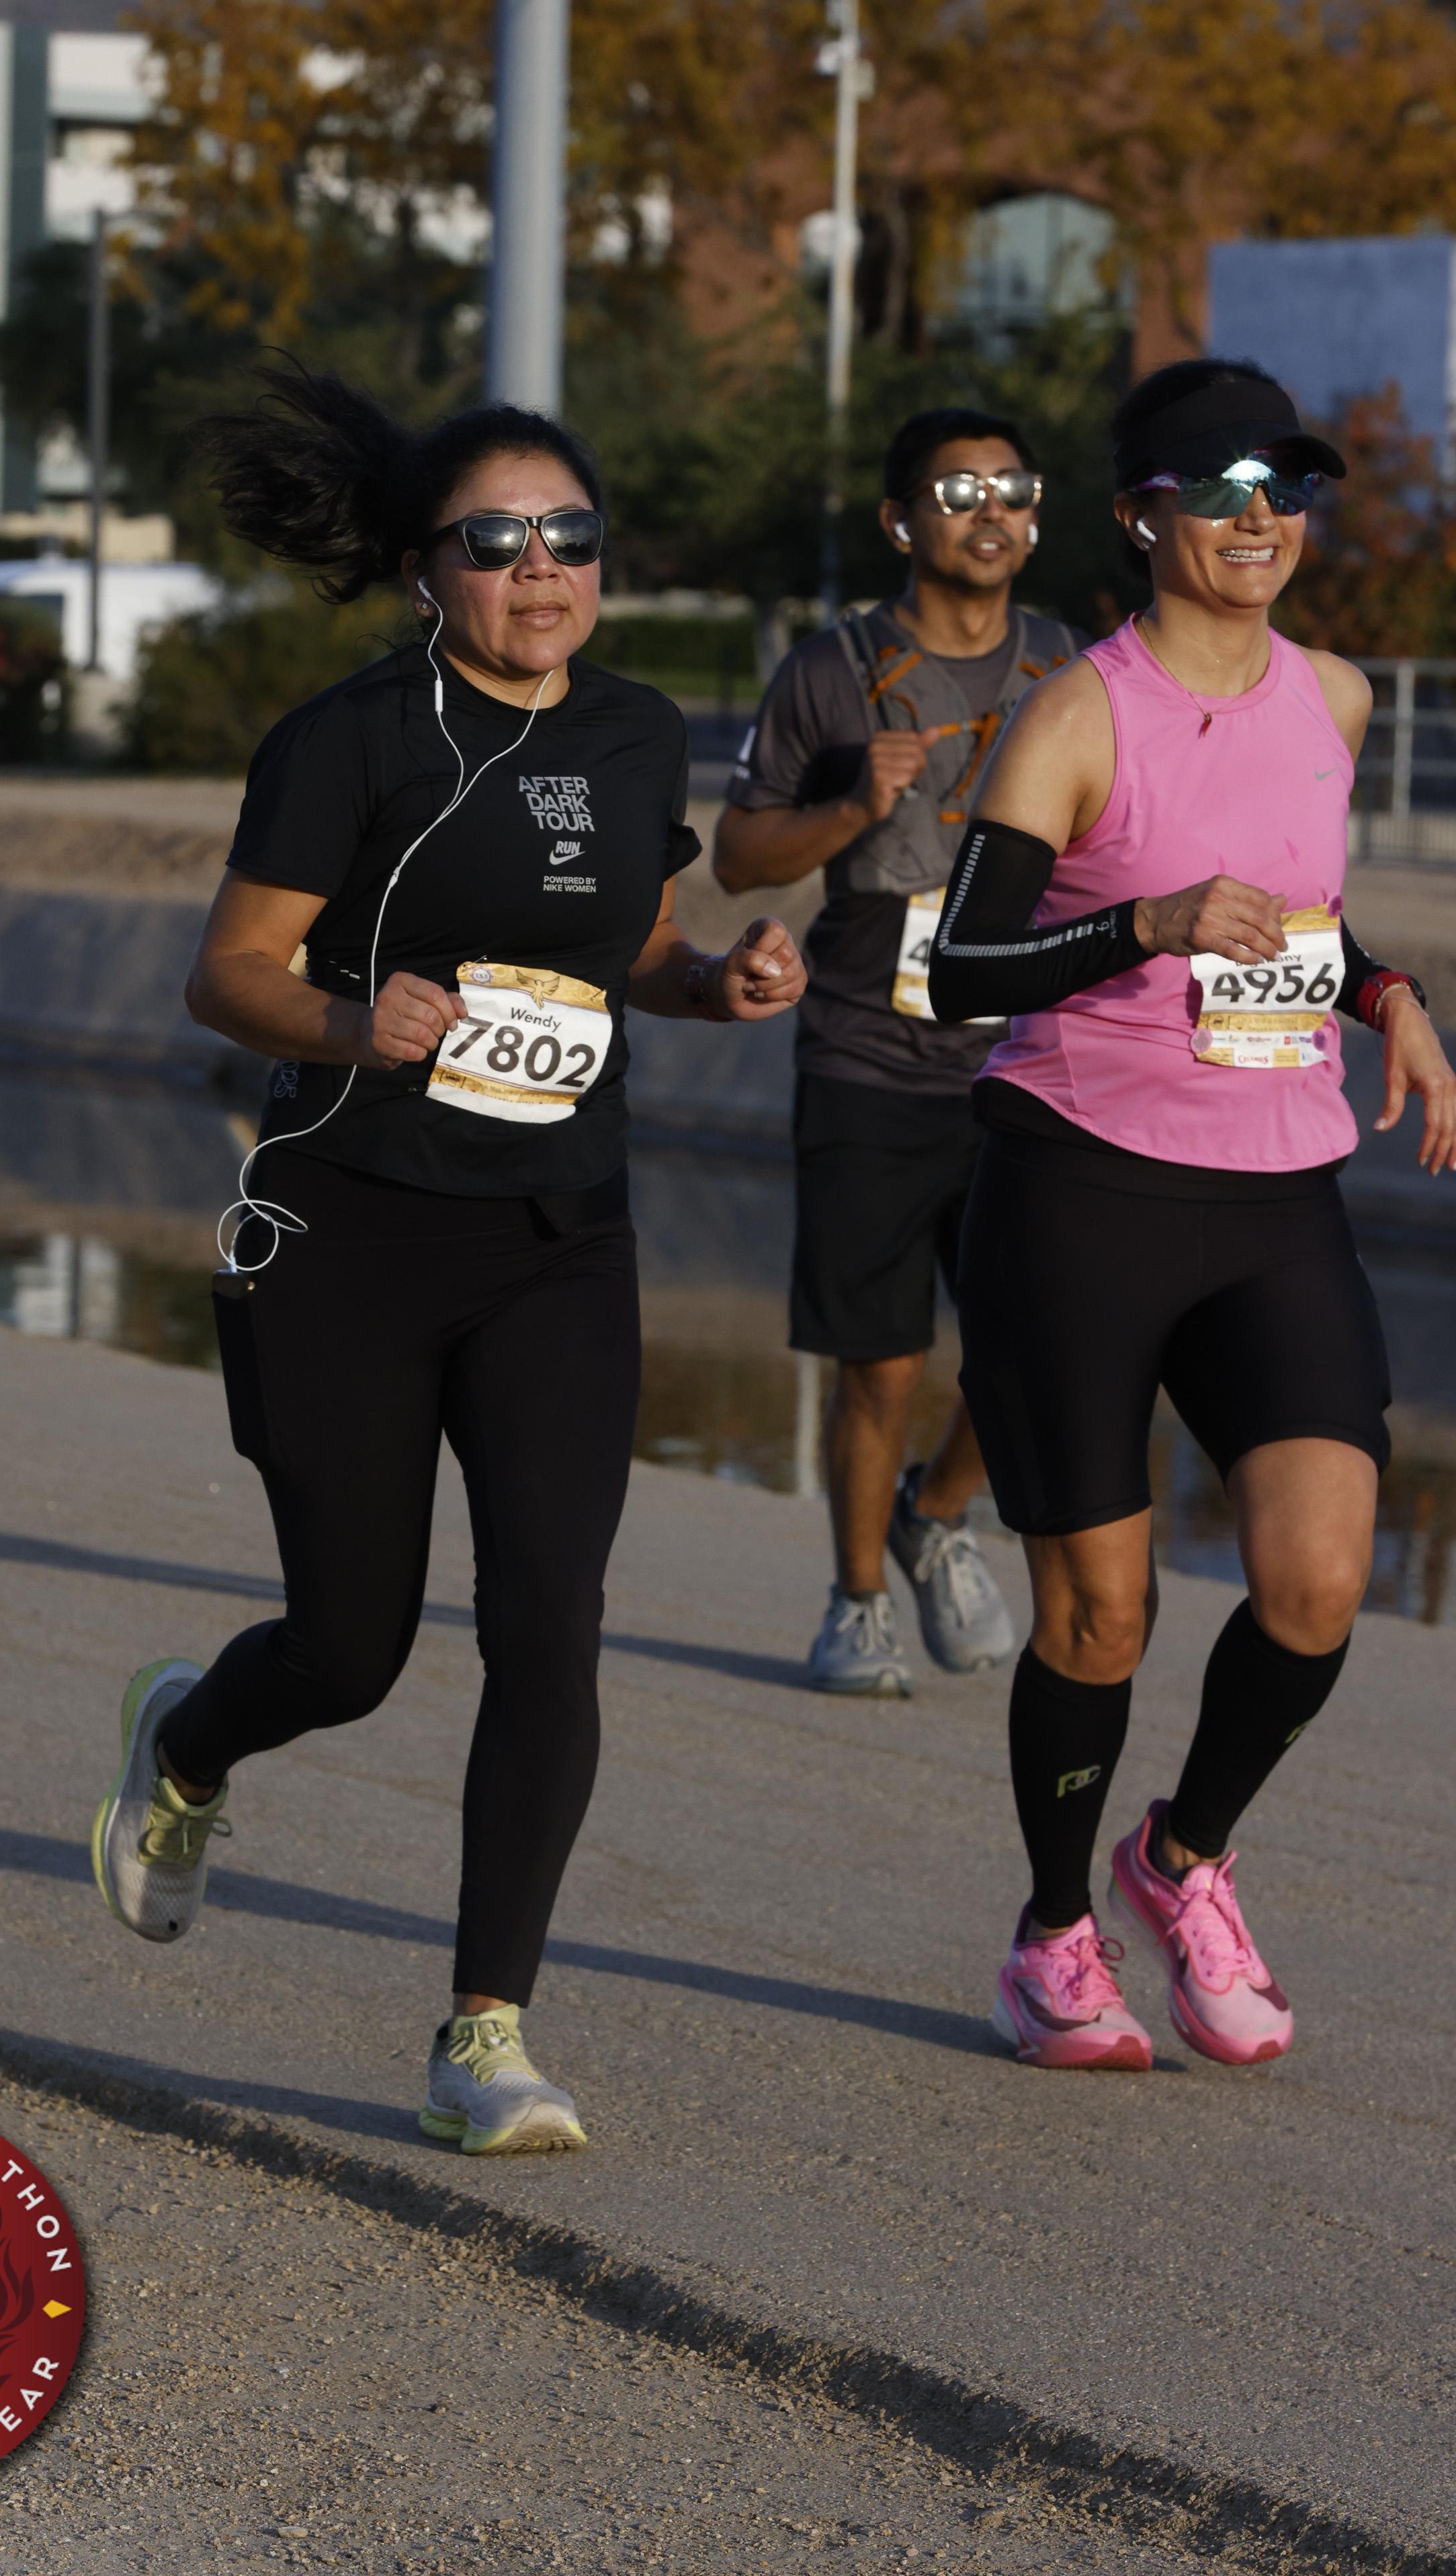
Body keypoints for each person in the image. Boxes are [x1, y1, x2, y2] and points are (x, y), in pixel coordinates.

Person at [91, 359, 805, 2151]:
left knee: (551, 1624)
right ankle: (191, 1745)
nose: (539, 567)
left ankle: (486, 2032)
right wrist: (353, 1020)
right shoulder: (348, 739)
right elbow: (226, 974)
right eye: (496, 542)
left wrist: (716, 982)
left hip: (560, 1239)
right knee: (352, 1649)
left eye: (570, 534)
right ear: (426, 569)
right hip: (346, 1229)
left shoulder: (635, 731)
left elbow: (630, 942)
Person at [927, 355, 1456, 2070]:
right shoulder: (1078, 715)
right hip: (1079, 1187)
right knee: (1101, 1616)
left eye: (1283, 490)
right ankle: (1050, 1939)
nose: (1259, 519)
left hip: (1280, 1191)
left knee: (1317, 1579)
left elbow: (1297, 922)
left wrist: (1388, 993)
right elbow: (962, 968)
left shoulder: (1337, 699)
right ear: (1140, 519)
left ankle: (1182, 1859)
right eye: (1220, 491)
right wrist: (1140, 926)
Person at [714, 408, 1079, 1697]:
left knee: (1051, 1340)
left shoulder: (1073, 668)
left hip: (1029, 1061)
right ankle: (858, 1599)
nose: (991, 513)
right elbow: (737, 858)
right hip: (867, 1057)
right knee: (882, 1363)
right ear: (899, 520)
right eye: (959, 491)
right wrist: (851, 804)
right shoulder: (831, 670)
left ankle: (937, 1513)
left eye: (1012, 490)